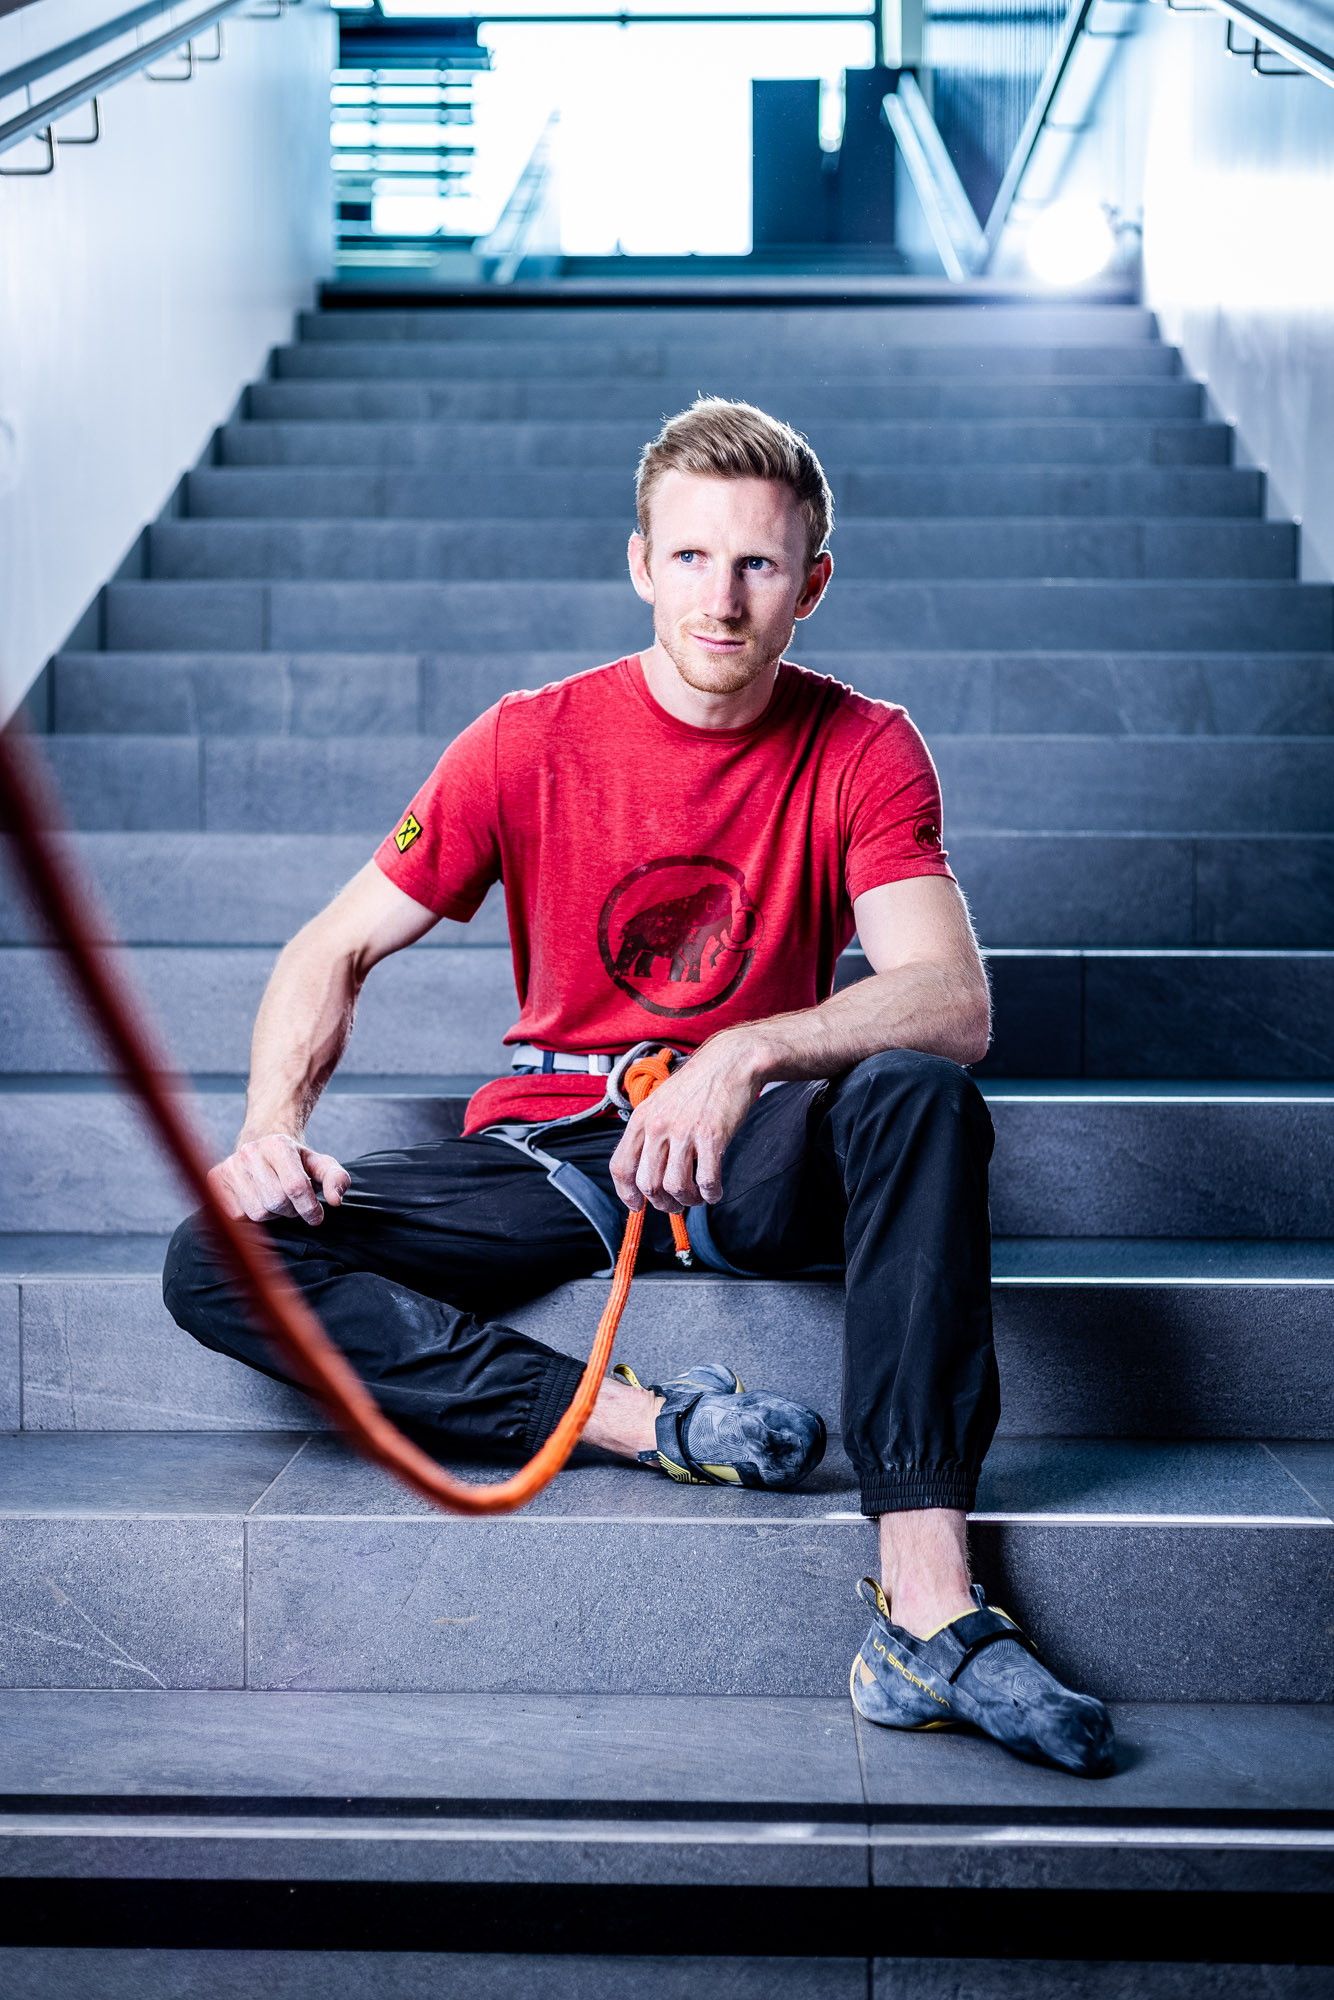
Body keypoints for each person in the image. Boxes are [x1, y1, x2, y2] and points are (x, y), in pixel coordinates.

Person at [164, 398, 1114, 1778]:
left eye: (758, 566)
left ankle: (924, 1600)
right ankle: (646, 1418)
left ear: (812, 584)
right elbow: (334, 943)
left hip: (755, 1147)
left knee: (915, 1091)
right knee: (220, 1257)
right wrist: (269, 1133)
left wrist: (742, 1053)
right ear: (637, 564)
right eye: (689, 559)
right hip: (556, 1153)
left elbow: (949, 997)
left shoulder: (862, 746)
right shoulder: (524, 740)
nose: (720, 600)